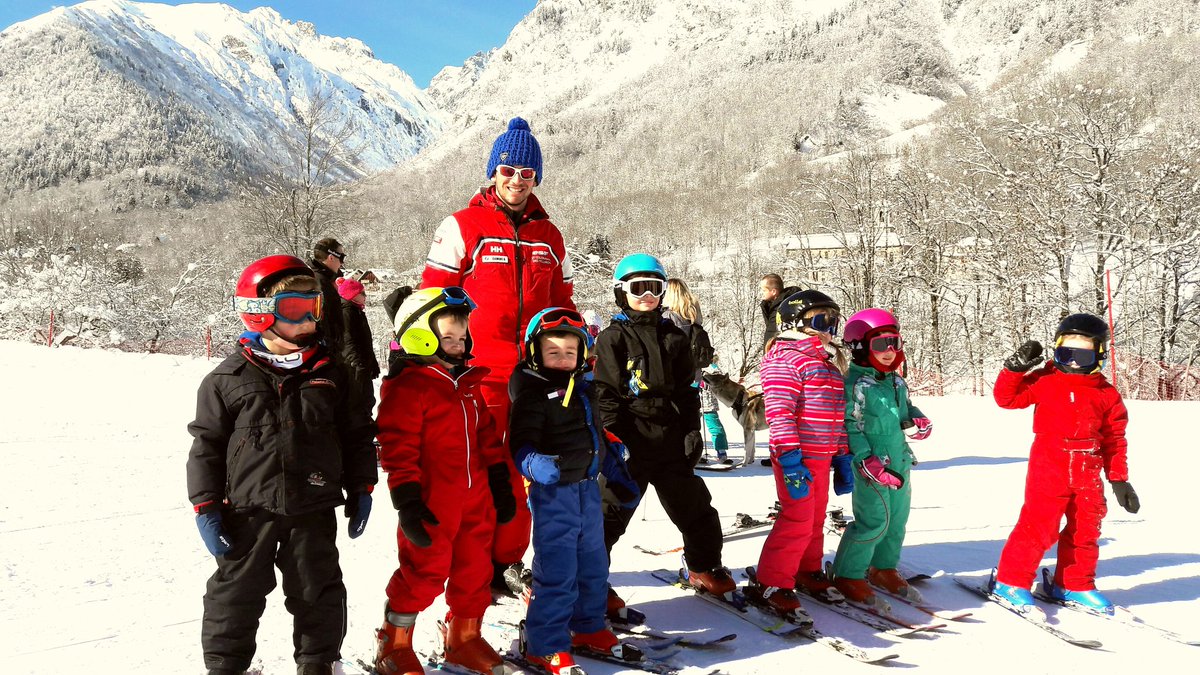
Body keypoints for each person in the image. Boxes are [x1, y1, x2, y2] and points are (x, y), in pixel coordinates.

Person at [187, 255, 378, 675]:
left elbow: (357, 432)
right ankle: (224, 666)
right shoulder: (227, 379)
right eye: (295, 309)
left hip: (313, 505)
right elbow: (206, 446)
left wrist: (362, 486)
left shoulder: (330, 373)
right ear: (258, 315)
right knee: (236, 591)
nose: (309, 320)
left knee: (318, 589)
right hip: (247, 509)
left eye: (315, 308)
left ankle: (319, 662)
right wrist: (205, 506)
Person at [420, 117, 575, 593]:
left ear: (537, 178)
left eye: (527, 173)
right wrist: (434, 362)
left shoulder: (550, 235)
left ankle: (504, 561)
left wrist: (575, 355)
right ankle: (465, 563)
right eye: (508, 168)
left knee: (521, 470)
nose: (516, 179)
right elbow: (433, 300)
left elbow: (563, 305)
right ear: (493, 171)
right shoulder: (462, 226)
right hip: (478, 376)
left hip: (534, 379)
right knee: (476, 473)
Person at [371, 287, 518, 675]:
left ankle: (464, 637)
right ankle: (394, 641)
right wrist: (406, 500)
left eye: (461, 337)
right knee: (424, 573)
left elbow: (487, 436)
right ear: (420, 335)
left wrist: (501, 483)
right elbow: (396, 448)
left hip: (476, 501)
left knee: (475, 572)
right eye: (447, 337)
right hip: (433, 502)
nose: (457, 344)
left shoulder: (467, 385)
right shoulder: (410, 387)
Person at [593, 253, 735, 612]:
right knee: (608, 515)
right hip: (630, 438)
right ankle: (590, 582)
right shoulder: (612, 338)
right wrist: (612, 439)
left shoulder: (673, 336)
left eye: (654, 288)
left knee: (696, 508)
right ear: (621, 292)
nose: (646, 295)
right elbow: (605, 394)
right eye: (637, 288)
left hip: (669, 437)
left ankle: (703, 566)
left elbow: (687, 390)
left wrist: (690, 430)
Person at [508, 308, 641, 674]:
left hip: (587, 491)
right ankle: (544, 642)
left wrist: (618, 473)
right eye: (554, 352)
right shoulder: (533, 396)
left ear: (583, 353)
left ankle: (587, 626)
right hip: (554, 494)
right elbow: (519, 444)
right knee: (558, 569)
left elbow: (598, 439)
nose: (563, 359)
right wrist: (535, 464)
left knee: (594, 565)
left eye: (570, 351)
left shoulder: (585, 390)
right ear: (536, 353)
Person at [989, 313, 1139, 617]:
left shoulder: (1106, 394)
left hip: (1088, 470)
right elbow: (1007, 398)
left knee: (1086, 529)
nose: (1071, 362)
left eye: (1081, 355)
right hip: (1049, 466)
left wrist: (1119, 479)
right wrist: (1014, 370)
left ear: (1098, 356)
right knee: (1038, 527)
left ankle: (1074, 584)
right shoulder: (1045, 380)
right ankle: (1010, 581)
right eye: (1065, 354)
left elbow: (1114, 438)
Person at [748, 290, 852, 615]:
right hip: (795, 456)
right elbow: (779, 413)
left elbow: (838, 414)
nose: (829, 329)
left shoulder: (827, 363)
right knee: (797, 518)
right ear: (794, 322)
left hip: (821, 457)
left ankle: (808, 568)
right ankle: (772, 580)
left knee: (817, 516)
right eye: (821, 320)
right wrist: (791, 459)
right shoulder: (785, 358)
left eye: (833, 321)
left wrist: (843, 455)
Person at [831, 309, 931, 605]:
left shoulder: (896, 381)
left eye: (894, 343)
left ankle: (883, 568)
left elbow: (906, 410)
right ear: (860, 346)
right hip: (872, 464)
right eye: (880, 344)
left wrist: (919, 419)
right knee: (874, 521)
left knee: (897, 519)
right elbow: (850, 425)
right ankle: (848, 573)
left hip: (899, 459)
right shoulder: (856, 384)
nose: (889, 352)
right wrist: (865, 459)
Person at [662, 278, 724, 463]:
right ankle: (694, 450)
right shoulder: (693, 315)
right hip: (694, 373)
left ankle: (679, 453)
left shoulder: (669, 318)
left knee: (674, 416)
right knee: (690, 414)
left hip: (674, 375)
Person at [336, 277, 381, 409]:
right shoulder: (347, 313)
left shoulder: (357, 311)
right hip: (354, 366)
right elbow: (347, 340)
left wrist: (372, 362)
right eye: (363, 293)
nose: (365, 296)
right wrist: (357, 363)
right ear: (353, 295)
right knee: (359, 402)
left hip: (361, 364)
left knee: (367, 400)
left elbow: (365, 341)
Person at [310, 238, 347, 357]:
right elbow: (321, 320)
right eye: (341, 258)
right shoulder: (320, 282)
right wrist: (331, 351)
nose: (342, 263)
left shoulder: (323, 279)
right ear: (331, 257)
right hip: (327, 353)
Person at [759, 274, 801, 349]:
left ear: (773, 291)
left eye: (764, 290)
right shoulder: (771, 307)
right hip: (771, 354)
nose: (761, 293)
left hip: (779, 354)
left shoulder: (786, 309)